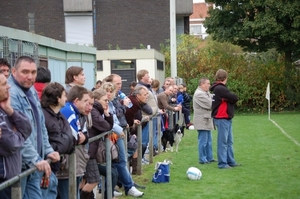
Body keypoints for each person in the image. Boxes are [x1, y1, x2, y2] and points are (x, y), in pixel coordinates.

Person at [8, 56, 60, 199]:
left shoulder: (30, 91)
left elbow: (40, 124)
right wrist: (35, 159)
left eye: (33, 72)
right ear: (14, 71)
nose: (30, 77)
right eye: (25, 72)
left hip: (33, 164)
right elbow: (17, 135)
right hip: (19, 165)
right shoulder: (11, 94)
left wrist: (47, 149)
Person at [102, 76, 144, 197]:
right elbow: (115, 115)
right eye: (117, 83)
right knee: (119, 160)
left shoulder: (115, 99)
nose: (119, 86)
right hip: (114, 134)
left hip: (118, 131)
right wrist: (122, 107)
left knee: (119, 160)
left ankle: (120, 186)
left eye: (120, 83)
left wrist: (122, 107)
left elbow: (121, 112)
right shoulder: (106, 102)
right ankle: (128, 186)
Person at [0, 70, 32, 199]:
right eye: (3, 84)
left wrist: (10, 110)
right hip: (4, 179)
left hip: (12, 178)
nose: (9, 86)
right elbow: (10, 144)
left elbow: (28, 128)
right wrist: (19, 135)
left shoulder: (4, 108)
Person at [81, 88, 117, 199]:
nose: (107, 102)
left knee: (85, 180)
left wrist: (107, 114)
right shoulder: (94, 111)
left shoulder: (97, 111)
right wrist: (106, 114)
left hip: (91, 150)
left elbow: (108, 127)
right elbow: (106, 127)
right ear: (96, 100)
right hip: (89, 151)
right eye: (105, 100)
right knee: (94, 180)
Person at [40, 82, 75, 199]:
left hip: (54, 167)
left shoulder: (58, 115)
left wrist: (67, 142)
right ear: (57, 98)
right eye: (64, 95)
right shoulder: (44, 115)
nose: (66, 98)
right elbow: (67, 141)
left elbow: (70, 139)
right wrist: (66, 143)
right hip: (46, 168)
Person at [60, 85, 91, 198]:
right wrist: (80, 138)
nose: (88, 105)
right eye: (85, 101)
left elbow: (84, 135)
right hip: (67, 164)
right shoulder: (68, 111)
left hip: (75, 162)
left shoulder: (75, 112)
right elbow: (76, 137)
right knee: (69, 194)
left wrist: (83, 138)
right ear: (76, 100)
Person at [210, 69, 240, 169]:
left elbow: (230, 98)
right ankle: (223, 163)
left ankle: (230, 161)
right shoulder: (220, 89)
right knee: (223, 142)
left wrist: (229, 100)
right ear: (225, 78)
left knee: (229, 141)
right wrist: (230, 100)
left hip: (225, 118)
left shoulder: (218, 88)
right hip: (222, 117)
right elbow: (234, 98)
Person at [125, 85, 152, 174]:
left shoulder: (137, 103)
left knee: (134, 147)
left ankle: (135, 170)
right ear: (138, 96)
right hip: (126, 131)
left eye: (147, 94)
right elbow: (127, 115)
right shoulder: (133, 102)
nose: (147, 96)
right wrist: (131, 123)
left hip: (132, 129)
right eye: (145, 94)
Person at [136, 69, 158, 161]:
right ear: (142, 77)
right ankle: (140, 159)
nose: (149, 77)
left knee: (147, 139)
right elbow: (141, 103)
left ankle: (142, 158)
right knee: (143, 140)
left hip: (150, 116)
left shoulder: (148, 87)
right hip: (145, 117)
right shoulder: (140, 87)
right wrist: (150, 111)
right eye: (147, 75)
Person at [193, 78, 216, 164]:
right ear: (202, 84)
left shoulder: (205, 93)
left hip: (207, 119)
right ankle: (202, 159)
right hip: (202, 120)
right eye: (208, 83)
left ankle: (209, 157)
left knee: (209, 140)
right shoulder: (199, 94)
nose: (209, 85)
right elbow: (211, 104)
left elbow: (212, 98)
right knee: (203, 141)